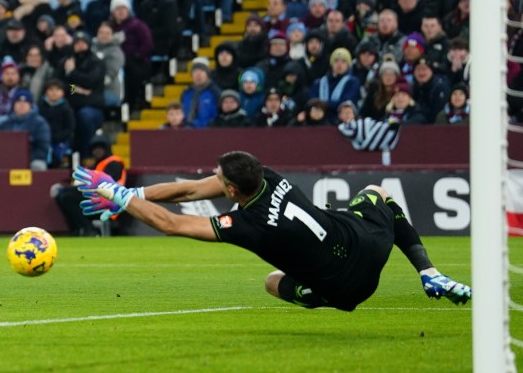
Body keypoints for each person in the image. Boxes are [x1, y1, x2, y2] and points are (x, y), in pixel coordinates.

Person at [74, 151, 472, 310]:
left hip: (350, 289)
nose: (212, 179)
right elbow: (191, 189)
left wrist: (117, 195)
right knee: (377, 192)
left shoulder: (248, 226)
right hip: (365, 243)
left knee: (271, 282)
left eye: (219, 177)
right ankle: (428, 271)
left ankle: (320, 294)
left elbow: (173, 223)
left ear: (232, 190)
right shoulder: (269, 176)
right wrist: (133, 192)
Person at [54, 134, 125, 236]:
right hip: (97, 197)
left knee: (68, 196)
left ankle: (88, 230)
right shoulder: (96, 164)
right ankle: (77, 229)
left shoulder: (114, 163)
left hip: (111, 201)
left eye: (100, 148)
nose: (97, 151)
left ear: (106, 148)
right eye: (94, 148)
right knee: (61, 194)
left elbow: (107, 184)